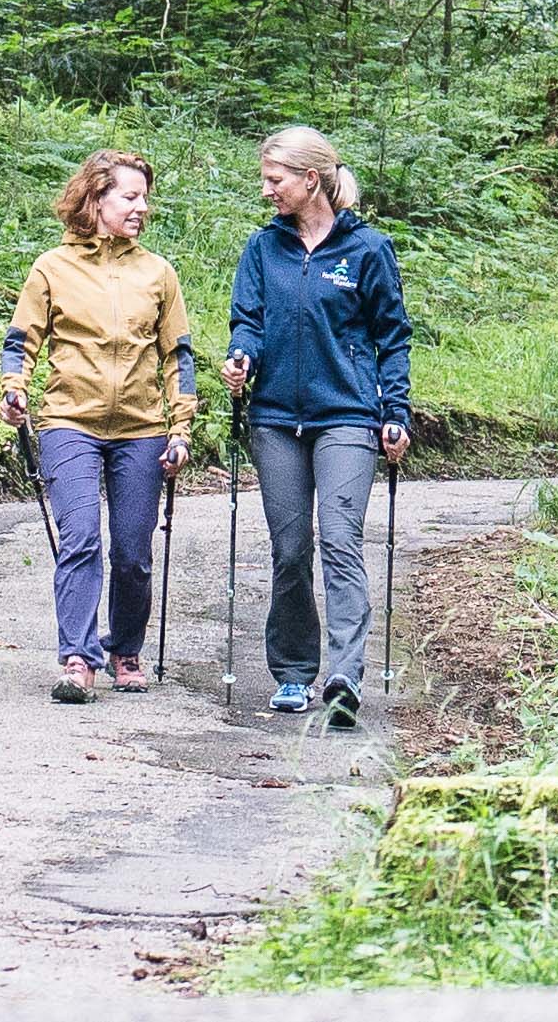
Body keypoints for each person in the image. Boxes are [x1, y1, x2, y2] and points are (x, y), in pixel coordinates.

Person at [221, 123, 410, 731]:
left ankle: (345, 674)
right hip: (275, 415)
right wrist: (241, 355)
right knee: (290, 549)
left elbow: (392, 337)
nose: (267, 190)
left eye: (275, 180)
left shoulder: (367, 250)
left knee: (339, 541)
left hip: (348, 415)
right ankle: (295, 673)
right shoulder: (262, 248)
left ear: (311, 179)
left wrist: (395, 411)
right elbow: (247, 319)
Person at [4, 149, 196, 703]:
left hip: (141, 427)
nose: (142, 208)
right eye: (129, 197)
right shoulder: (52, 268)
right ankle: (77, 656)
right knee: (81, 538)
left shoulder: (158, 273)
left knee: (133, 552)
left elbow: (177, 357)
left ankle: (125, 648)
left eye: (143, 198)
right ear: (96, 199)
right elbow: (21, 343)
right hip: (69, 422)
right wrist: (13, 391)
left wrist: (180, 429)